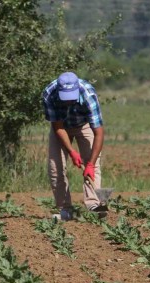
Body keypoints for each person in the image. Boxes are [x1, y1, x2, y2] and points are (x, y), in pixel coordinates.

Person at [42, 72, 108, 221]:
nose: (68, 102)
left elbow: (99, 133)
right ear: (59, 91)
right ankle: (65, 209)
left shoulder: (88, 94)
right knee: (55, 168)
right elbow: (58, 127)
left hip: (84, 125)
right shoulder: (49, 95)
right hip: (61, 128)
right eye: (65, 98)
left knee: (93, 165)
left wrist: (89, 164)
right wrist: (71, 152)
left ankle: (95, 205)